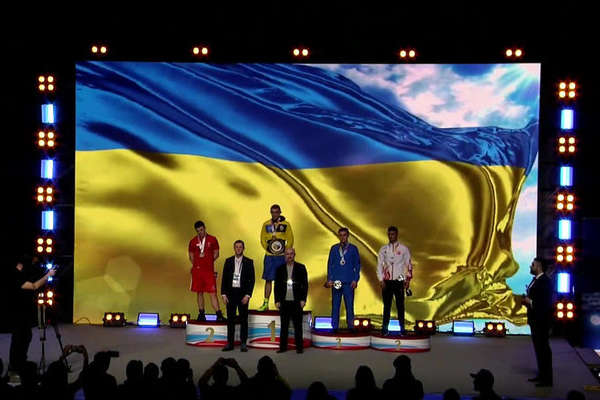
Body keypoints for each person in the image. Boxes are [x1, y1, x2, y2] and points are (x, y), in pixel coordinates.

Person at [9, 257, 55, 375]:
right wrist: (47, 275)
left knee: (26, 336)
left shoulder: (22, 273)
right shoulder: (15, 275)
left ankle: (21, 361)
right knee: (19, 339)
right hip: (17, 313)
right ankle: (14, 366)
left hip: (24, 311)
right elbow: (33, 286)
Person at [522, 257, 553, 387]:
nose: (531, 266)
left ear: (539, 266)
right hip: (535, 320)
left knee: (544, 350)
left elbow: (544, 303)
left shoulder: (544, 281)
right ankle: (542, 375)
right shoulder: (536, 280)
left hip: (541, 321)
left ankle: (547, 379)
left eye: (533, 265)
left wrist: (529, 301)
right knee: (539, 350)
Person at [377, 226, 412, 335]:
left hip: (399, 280)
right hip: (387, 281)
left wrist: (407, 279)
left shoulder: (403, 249)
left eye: (393, 234)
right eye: (389, 234)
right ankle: (384, 328)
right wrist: (381, 279)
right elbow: (379, 265)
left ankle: (402, 328)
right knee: (386, 306)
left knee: (400, 306)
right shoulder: (383, 249)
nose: (391, 236)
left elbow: (408, 264)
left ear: (396, 235)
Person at [258, 204, 294, 311]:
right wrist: (268, 248)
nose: (274, 214)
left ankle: (282, 303)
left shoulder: (286, 224)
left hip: (281, 256)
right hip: (270, 256)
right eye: (273, 212)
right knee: (268, 279)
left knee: (282, 280)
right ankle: (265, 303)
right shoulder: (266, 224)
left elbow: (290, 239)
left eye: (276, 212)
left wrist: (285, 251)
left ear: (280, 212)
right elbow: (262, 239)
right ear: (271, 213)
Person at [221, 240, 255, 352]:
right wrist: (223, 294)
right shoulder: (228, 261)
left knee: (243, 319)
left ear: (243, 248)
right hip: (230, 294)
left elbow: (252, 280)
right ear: (234, 248)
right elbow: (224, 279)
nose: (238, 249)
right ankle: (230, 343)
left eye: (240, 247)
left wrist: (248, 295)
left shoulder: (249, 262)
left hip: (243, 294)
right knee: (230, 319)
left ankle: (243, 343)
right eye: (236, 247)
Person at [188, 220, 225, 321]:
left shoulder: (212, 239)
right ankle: (201, 314)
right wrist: (197, 264)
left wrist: (208, 262)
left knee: (212, 292)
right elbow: (191, 256)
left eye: (201, 230)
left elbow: (216, 253)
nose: (200, 232)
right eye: (198, 231)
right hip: (197, 272)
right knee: (199, 292)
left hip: (209, 271)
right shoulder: (193, 241)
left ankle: (219, 314)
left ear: (205, 228)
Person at [326, 227, 360, 331]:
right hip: (336, 281)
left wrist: (355, 280)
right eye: (340, 235)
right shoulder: (334, 248)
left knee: (349, 305)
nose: (342, 237)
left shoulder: (353, 249)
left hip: (348, 281)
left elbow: (357, 265)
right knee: (335, 305)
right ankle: (334, 327)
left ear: (348, 235)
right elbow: (330, 265)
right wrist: (329, 279)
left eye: (344, 235)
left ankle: (351, 326)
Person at [275, 247, 308, 353]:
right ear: (284, 256)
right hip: (284, 301)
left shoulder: (301, 267)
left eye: (291, 254)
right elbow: (277, 286)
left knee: (298, 326)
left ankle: (299, 348)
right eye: (287, 254)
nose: (289, 256)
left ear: (294, 255)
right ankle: (282, 348)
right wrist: (277, 300)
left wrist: (303, 299)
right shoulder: (279, 269)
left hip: (297, 301)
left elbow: (305, 285)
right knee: (284, 326)